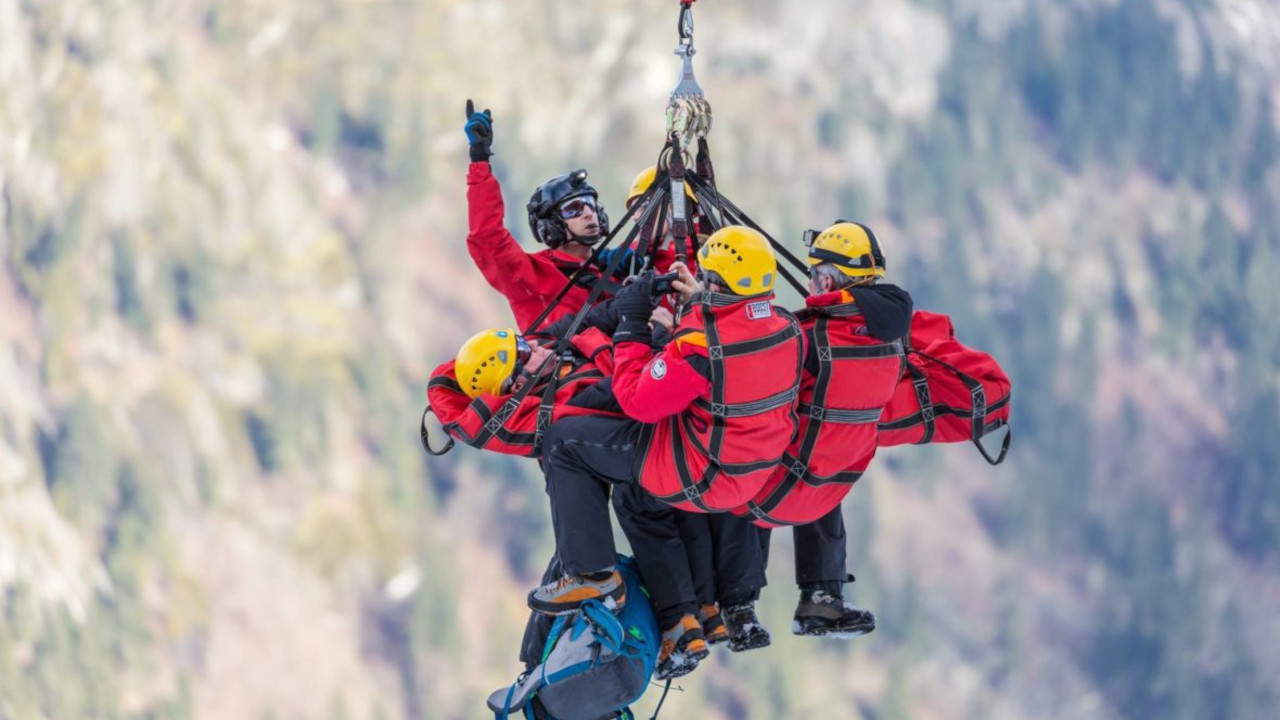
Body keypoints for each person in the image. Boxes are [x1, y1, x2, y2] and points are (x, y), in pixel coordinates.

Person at [526, 226, 804, 679]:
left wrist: (633, 325)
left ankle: (592, 574)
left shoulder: (700, 347)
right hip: (749, 475)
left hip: (697, 470)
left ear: (715, 283)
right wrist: (698, 303)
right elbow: (735, 333)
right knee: (636, 500)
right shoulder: (785, 329)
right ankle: (687, 616)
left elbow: (637, 398)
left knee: (565, 441)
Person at [739, 221, 913, 637]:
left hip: (772, 490)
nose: (812, 282)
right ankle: (821, 596)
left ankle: (735, 603)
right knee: (814, 462)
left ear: (829, 278)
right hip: (830, 483)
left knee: (738, 457)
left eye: (815, 274)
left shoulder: (805, 336)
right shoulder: (889, 337)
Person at [464, 100, 613, 330]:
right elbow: (487, 237)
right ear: (551, 226)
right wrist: (479, 160)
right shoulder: (533, 276)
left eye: (590, 204)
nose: (588, 213)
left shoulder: (619, 266)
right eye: (574, 208)